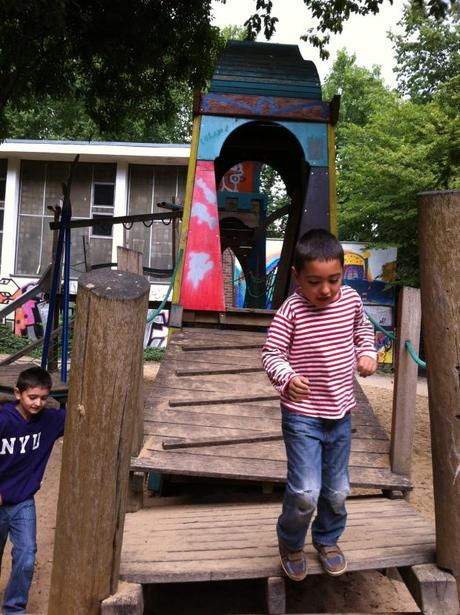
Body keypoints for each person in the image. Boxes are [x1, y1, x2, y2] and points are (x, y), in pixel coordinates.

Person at [262, 229, 377, 582]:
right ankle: (291, 542)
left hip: (340, 415)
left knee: (338, 489)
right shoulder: (291, 311)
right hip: (302, 417)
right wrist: (286, 377)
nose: (325, 290)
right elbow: (271, 353)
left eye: (334, 280)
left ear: (343, 273)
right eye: (314, 282)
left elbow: (363, 331)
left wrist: (368, 352)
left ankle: (327, 539)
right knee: (305, 491)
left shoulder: (352, 302)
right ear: (297, 276)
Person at [0, 366, 65, 614]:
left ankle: (14, 609)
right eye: (32, 397)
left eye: (43, 397)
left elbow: (80, 410)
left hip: (23, 502)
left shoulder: (49, 421)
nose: (38, 403)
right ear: (18, 393)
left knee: (27, 556)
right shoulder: (3, 420)